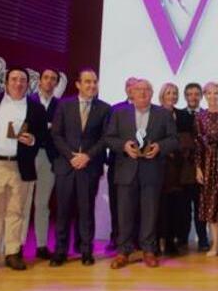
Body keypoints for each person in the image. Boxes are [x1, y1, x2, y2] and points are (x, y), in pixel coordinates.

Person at [0, 67, 50, 274]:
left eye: (23, 80)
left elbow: (42, 135)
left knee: (16, 211)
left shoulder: (36, 109)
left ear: (28, 84)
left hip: (20, 165)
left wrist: (32, 139)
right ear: (6, 82)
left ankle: (13, 252)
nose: (18, 83)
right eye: (14, 79)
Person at [106, 79, 179, 268]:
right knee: (124, 213)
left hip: (152, 170)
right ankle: (123, 251)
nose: (143, 93)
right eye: (139, 89)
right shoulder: (119, 113)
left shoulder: (163, 114)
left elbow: (174, 139)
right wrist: (123, 146)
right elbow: (109, 138)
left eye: (147, 89)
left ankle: (148, 250)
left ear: (152, 93)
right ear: (131, 92)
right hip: (126, 170)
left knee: (150, 212)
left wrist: (159, 147)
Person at [49, 68, 110, 266]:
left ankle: (86, 251)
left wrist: (88, 156)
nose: (92, 85)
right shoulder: (64, 106)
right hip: (66, 166)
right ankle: (60, 251)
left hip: (89, 167)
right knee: (63, 211)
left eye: (94, 82)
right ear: (78, 84)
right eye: (87, 82)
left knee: (86, 210)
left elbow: (105, 138)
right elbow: (56, 135)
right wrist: (71, 156)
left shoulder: (104, 108)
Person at [23, 68, 60, 261]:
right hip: (29, 155)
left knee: (42, 203)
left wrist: (48, 128)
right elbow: (22, 127)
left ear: (57, 83)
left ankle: (42, 246)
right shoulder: (27, 101)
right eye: (46, 78)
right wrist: (47, 127)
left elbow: (60, 132)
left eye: (53, 79)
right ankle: (17, 246)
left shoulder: (60, 105)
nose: (49, 81)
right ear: (40, 81)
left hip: (50, 157)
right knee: (23, 201)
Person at [194, 82, 218, 257]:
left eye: (216, 92)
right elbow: (197, 145)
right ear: (204, 95)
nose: (212, 96)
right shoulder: (200, 116)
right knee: (211, 202)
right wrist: (198, 168)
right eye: (208, 93)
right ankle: (215, 244)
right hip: (208, 162)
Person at [156, 82, 193, 256]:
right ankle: (155, 241)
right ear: (162, 95)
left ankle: (171, 241)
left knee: (174, 206)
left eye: (175, 93)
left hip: (178, 168)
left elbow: (188, 139)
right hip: (159, 167)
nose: (172, 96)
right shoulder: (154, 113)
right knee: (157, 206)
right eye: (168, 92)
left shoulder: (184, 115)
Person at [107, 77, 140, 249]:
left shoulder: (148, 109)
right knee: (117, 203)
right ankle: (116, 237)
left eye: (135, 86)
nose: (131, 88)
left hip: (140, 164)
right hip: (118, 163)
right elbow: (109, 136)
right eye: (128, 85)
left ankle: (135, 238)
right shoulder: (115, 109)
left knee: (138, 204)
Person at [182, 82, 210, 252]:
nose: (193, 97)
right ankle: (183, 239)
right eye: (190, 94)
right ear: (186, 96)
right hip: (184, 168)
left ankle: (203, 239)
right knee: (184, 206)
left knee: (201, 205)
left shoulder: (207, 115)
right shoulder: (179, 114)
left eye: (196, 94)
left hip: (204, 167)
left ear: (201, 96)